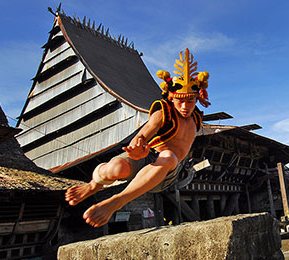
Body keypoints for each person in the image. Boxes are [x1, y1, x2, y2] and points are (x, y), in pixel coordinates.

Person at [65, 48, 210, 228]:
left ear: (196, 98)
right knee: (116, 168)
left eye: (190, 100)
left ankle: (116, 201)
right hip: (146, 157)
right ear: (171, 98)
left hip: (165, 170)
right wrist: (137, 146)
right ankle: (93, 185)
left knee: (168, 156)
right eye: (180, 100)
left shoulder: (196, 118)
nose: (185, 106)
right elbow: (145, 131)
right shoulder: (164, 112)